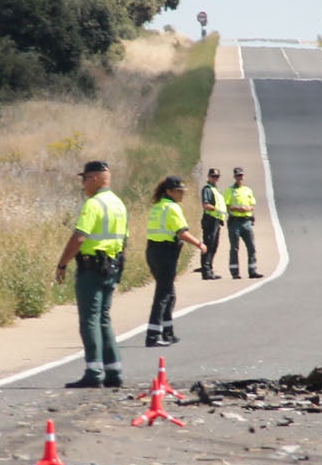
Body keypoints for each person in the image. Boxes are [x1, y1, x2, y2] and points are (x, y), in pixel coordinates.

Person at [53, 160, 128, 388]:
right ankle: (114, 371)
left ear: (96, 178)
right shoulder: (118, 204)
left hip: (92, 268)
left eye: (85, 178)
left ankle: (93, 371)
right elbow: (124, 239)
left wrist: (62, 264)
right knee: (104, 318)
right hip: (112, 265)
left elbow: (79, 237)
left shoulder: (93, 204)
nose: (83, 184)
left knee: (89, 320)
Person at [143, 176, 204, 347]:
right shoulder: (171, 208)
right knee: (163, 295)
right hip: (165, 253)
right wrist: (199, 244)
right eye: (178, 191)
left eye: (183, 191)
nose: (181, 195)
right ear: (168, 191)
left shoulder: (157, 207)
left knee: (169, 294)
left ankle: (168, 332)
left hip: (153, 252)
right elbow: (181, 232)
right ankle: (153, 335)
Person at [225, 167, 261, 278]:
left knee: (251, 247)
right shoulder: (230, 190)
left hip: (247, 221)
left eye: (241, 175)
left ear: (243, 176)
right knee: (234, 248)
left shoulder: (248, 190)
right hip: (235, 222)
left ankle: (253, 271)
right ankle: (235, 273)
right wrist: (238, 209)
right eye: (237, 176)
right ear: (234, 177)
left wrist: (248, 209)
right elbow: (228, 206)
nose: (239, 177)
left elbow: (252, 204)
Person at [197, 167, 227, 279]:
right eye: (213, 176)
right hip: (210, 219)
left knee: (214, 246)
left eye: (216, 176)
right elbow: (206, 204)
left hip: (216, 220)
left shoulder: (215, 189)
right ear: (209, 177)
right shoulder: (207, 189)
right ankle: (206, 271)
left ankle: (209, 268)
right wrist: (217, 210)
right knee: (209, 245)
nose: (215, 178)